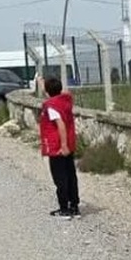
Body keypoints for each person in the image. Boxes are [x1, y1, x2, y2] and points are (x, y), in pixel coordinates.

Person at [40, 76, 81, 219]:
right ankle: (74, 206)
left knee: (60, 178)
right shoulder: (65, 100)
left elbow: (60, 124)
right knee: (70, 175)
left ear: (47, 90)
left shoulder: (51, 106)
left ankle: (64, 208)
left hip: (58, 146)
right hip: (69, 144)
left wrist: (62, 145)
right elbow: (60, 93)